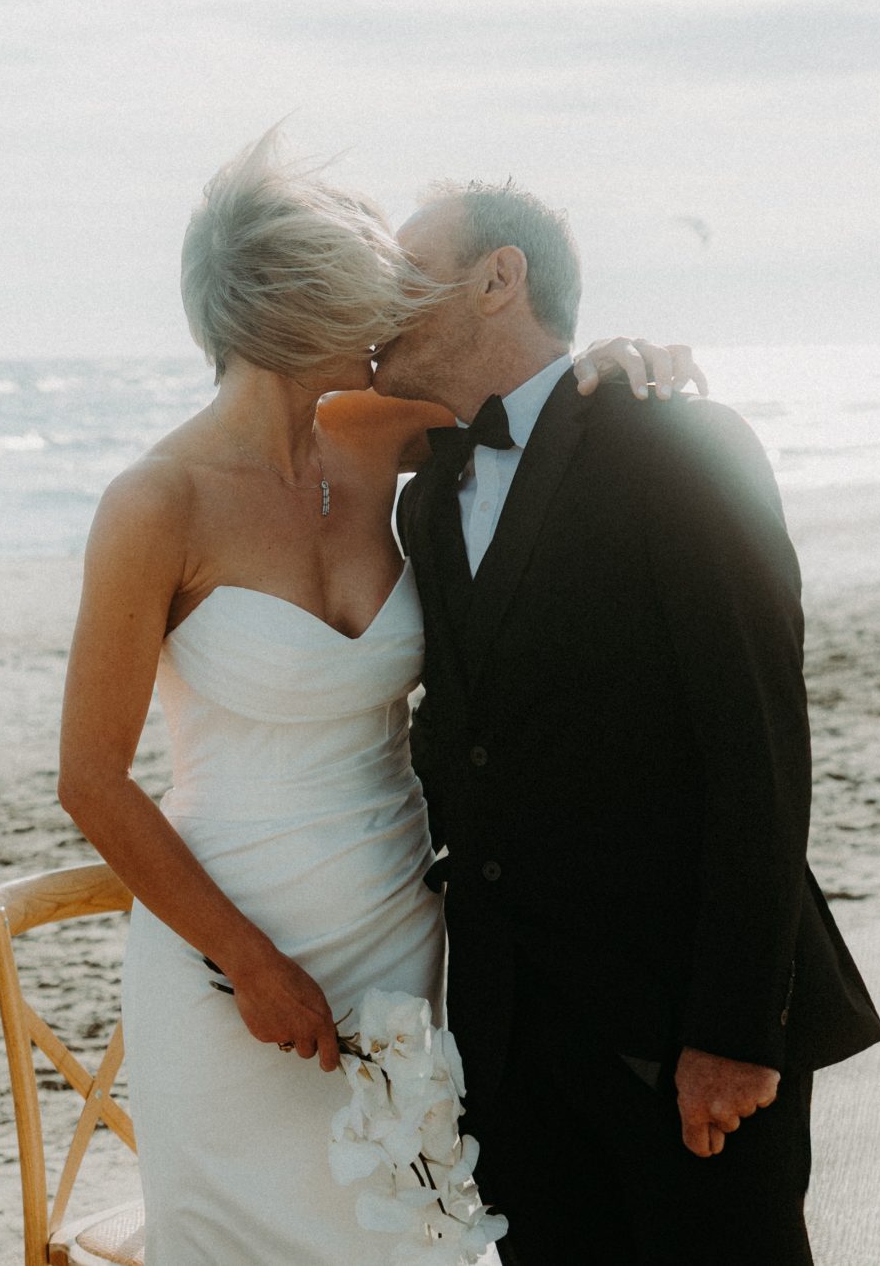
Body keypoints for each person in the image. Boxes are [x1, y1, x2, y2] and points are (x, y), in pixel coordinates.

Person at [57, 134, 700, 1263]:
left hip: (401, 934)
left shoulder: (372, 437)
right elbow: (91, 780)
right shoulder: (154, 503)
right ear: (295, 304)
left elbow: (528, 409)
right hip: (230, 962)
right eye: (366, 291)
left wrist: (611, 361)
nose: (390, 316)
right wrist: (251, 963)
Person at [373, 180, 880, 1264]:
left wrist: (733, 1031)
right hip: (513, 1046)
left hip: (677, 1030)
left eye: (402, 275)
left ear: (498, 278)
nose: (377, 303)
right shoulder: (424, 499)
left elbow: (759, 748)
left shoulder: (679, 445)